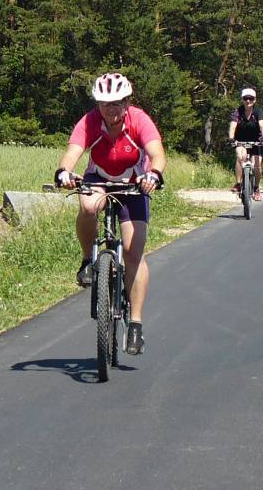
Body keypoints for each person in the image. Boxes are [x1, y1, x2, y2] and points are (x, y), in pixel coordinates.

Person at [54, 72, 166, 356]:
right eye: (105, 103)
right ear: (98, 104)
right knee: (87, 206)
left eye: (117, 103)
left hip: (134, 182)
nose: (111, 109)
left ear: (127, 102)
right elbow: (72, 152)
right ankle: (87, 260)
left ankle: (136, 324)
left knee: (132, 251)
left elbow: (157, 153)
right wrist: (64, 172)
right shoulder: (90, 121)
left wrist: (154, 174)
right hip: (99, 178)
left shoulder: (139, 120)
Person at [228, 87, 263, 200]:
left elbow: (262, 125)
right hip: (241, 140)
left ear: (254, 100)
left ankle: (256, 188)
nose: (248, 101)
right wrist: (231, 138)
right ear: (242, 99)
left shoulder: (258, 111)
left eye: (251, 98)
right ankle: (238, 183)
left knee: (257, 166)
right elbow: (233, 126)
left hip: (256, 141)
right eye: (246, 98)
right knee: (240, 157)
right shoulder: (238, 111)